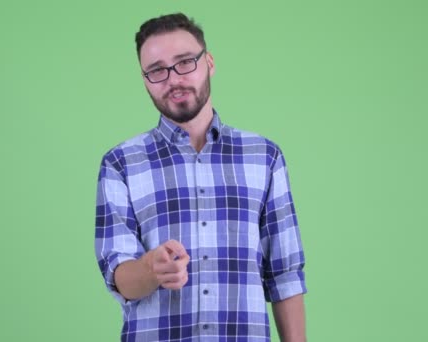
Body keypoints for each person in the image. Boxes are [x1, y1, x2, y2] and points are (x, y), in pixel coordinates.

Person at [95, 12, 307, 342]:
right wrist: (151, 268)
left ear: (208, 62)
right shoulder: (121, 163)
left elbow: (285, 274)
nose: (174, 79)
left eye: (184, 62)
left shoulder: (265, 157)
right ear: (144, 79)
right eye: (157, 71)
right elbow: (119, 275)